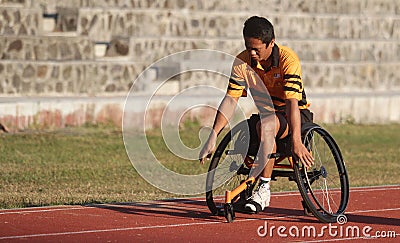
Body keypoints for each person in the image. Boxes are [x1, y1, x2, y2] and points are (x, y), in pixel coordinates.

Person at [199, 16, 314, 213]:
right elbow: (230, 100)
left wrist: (296, 140)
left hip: (295, 114)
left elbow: (292, 103)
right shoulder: (242, 62)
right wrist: (213, 135)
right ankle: (251, 185)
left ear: (271, 43)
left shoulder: (288, 60)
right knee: (255, 126)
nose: (252, 53)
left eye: (257, 49)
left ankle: (264, 188)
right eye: (248, 47)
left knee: (267, 124)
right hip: (267, 116)